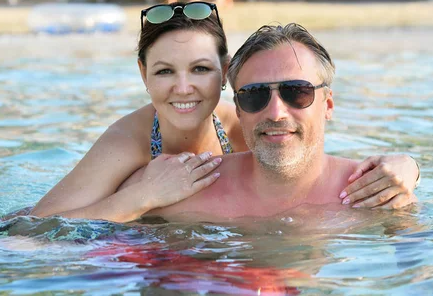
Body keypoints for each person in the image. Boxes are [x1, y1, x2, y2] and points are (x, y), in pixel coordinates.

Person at [30, 2, 420, 223]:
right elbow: (33, 230)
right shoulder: (127, 141)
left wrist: (408, 166)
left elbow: (299, 155)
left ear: (223, 75)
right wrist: (142, 196)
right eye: (165, 71)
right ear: (143, 74)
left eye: (200, 69)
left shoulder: (246, 121)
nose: (184, 87)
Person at [141, 23, 419, 220]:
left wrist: (410, 166)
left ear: (328, 105)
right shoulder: (186, 189)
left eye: (297, 92)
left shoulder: (375, 193)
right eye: (254, 95)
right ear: (238, 109)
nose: (276, 113)